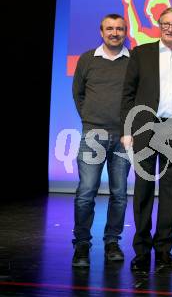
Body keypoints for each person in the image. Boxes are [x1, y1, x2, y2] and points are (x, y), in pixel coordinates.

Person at [120, 7, 172, 272]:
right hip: (144, 128)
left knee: (169, 191)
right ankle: (141, 250)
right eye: (166, 23)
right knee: (143, 190)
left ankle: (163, 249)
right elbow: (128, 94)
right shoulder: (141, 53)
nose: (170, 28)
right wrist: (127, 129)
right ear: (158, 25)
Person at [71, 14, 131, 267]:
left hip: (123, 138)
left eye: (119, 29)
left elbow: (137, 96)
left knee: (119, 194)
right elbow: (78, 93)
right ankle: (82, 244)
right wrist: (89, 118)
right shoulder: (87, 59)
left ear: (125, 31)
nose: (114, 33)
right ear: (101, 31)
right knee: (86, 192)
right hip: (93, 134)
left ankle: (112, 241)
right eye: (110, 28)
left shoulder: (133, 61)